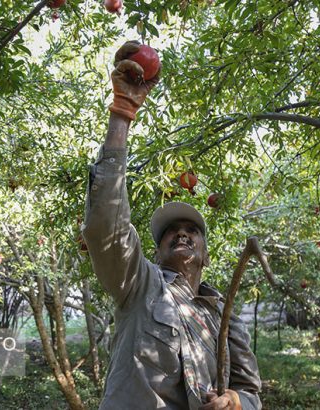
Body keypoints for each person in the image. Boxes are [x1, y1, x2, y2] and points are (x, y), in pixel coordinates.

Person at [81, 41, 261, 410]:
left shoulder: (223, 315)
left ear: (206, 255)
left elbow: (251, 392)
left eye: (192, 230)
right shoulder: (139, 285)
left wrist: (235, 401)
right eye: (170, 232)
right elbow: (106, 227)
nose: (181, 233)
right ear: (157, 250)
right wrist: (122, 113)